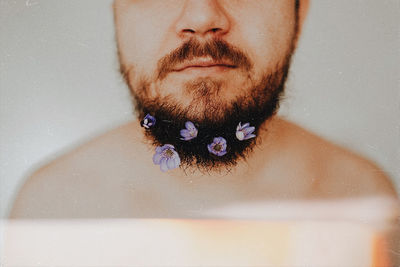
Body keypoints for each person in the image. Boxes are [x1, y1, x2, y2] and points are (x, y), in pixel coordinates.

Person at [9, 0, 398, 219]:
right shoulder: (48, 211)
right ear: (115, 14)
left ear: (301, 13)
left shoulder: (368, 205)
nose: (201, 17)